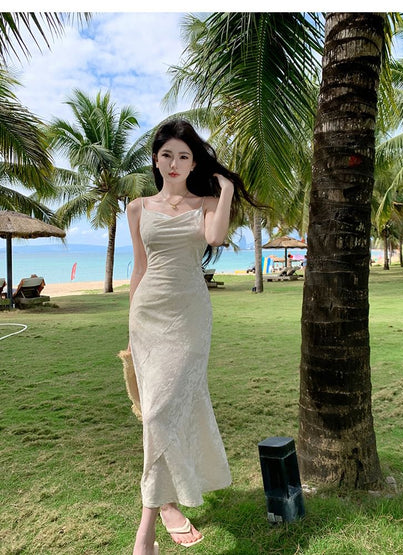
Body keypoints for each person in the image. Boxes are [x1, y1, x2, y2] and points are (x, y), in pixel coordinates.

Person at [126, 119, 258, 555]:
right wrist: (131, 324)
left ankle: (145, 531)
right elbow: (139, 267)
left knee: (163, 411)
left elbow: (215, 237)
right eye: (167, 155)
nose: (175, 163)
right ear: (156, 159)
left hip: (189, 318)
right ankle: (165, 506)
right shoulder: (137, 208)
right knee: (156, 413)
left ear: (194, 163)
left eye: (184, 156)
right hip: (148, 316)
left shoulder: (206, 203)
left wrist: (227, 190)